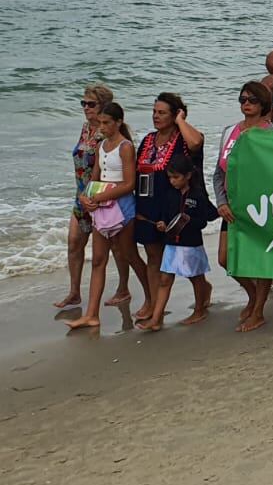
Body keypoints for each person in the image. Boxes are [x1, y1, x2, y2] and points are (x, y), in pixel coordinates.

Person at [131, 93, 205, 323]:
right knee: (154, 257)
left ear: (175, 115)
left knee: (186, 258)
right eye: (154, 111)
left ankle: (202, 297)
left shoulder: (183, 139)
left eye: (162, 112)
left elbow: (196, 143)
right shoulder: (148, 140)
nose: (155, 116)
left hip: (177, 209)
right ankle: (155, 305)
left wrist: (181, 121)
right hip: (148, 208)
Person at [66, 101, 138, 333]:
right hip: (102, 208)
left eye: (107, 122)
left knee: (129, 254)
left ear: (118, 123)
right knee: (98, 260)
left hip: (122, 207)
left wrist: (102, 196)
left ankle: (151, 297)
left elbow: (129, 183)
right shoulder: (101, 147)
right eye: (100, 123)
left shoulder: (125, 147)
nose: (102, 126)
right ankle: (91, 314)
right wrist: (87, 198)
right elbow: (94, 178)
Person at [213, 81, 273, 332]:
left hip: (260, 206)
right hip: (231, 207)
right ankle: (253, 296)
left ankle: (259, 311)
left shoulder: (270, 134)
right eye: (243, 99)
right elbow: (218, 173)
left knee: (259, 259)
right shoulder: (230, 130)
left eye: (252, 100)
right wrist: (221, 202)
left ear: (263, 104)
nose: (246, 104)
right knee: (225, 259)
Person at [57, 83, 128, 311]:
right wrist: (82, 195)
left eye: (91, 104)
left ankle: (123, 288)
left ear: (104, 106)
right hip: (81, 195)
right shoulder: (86, 129)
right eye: (83, 103)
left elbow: (119, 169)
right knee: (74, 242)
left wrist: (99, 197)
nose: (86, 108)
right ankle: (74, 292)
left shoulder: (111, 133)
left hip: (103, 199)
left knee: (116, 247)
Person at [138, 151, 214, 331]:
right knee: (165, 279)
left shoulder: (197, 195)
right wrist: (162, 223)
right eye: (170, 177)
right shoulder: (169, 194)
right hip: (172, 243)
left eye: (176, 177)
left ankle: (199, 309)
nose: (172, 181)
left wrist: (188, 220)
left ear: (188, 176)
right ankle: (156, 319)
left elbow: (205, 220)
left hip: (191, 244)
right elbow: (165, 215)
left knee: (196, 278)